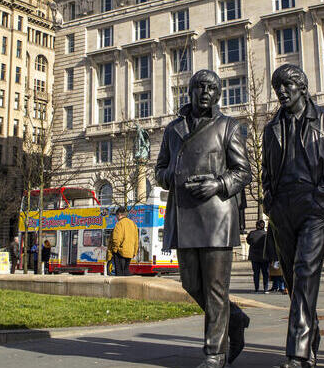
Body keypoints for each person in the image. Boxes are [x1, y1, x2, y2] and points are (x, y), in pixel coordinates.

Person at [156, 69, 252, 368]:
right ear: (191, 91)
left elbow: (243, 172)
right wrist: (173, 175)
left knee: (215, 289)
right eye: (200, 87)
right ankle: (235, 318)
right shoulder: (173, 130)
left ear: (218, 94)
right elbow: (159, 170)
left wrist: (218, 184)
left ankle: (215, 354)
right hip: (184, 214)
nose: (205, 92)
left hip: (216, 216)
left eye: (212, 88)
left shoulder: (228, 127)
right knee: (190, 283)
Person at [262, 64, 324, 368]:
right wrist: (269, 201)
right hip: (282, 210)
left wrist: (322, 195)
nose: (281, 91)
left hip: (313, 207)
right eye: (277, 87)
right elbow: (266, 171)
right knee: (293, 280)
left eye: (287, 85)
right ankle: (310, 338)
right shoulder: (271, 128)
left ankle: (298, 354)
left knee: (304, 273)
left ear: (302, 87)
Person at [108, 207, 139, 277]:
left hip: (120, 252)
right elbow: (136, 240)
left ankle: (120, 284)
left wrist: (114, 250)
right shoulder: (133, 224)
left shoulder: (119, 224)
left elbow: (116, 239)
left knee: (119, 273)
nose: (116, 218)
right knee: (126, 270)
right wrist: (134, 252)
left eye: (116, 215)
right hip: (130, 252)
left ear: (119, 214)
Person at [246, 220, 270, 293]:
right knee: (265, 273)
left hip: (254, 256)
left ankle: (256, 289)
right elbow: (269, 245)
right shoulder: (266, 234)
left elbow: (248, 241)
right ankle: (265, 289)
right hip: (264, 256)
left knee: (256, 273)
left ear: (256, 226)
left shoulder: (252, 233)